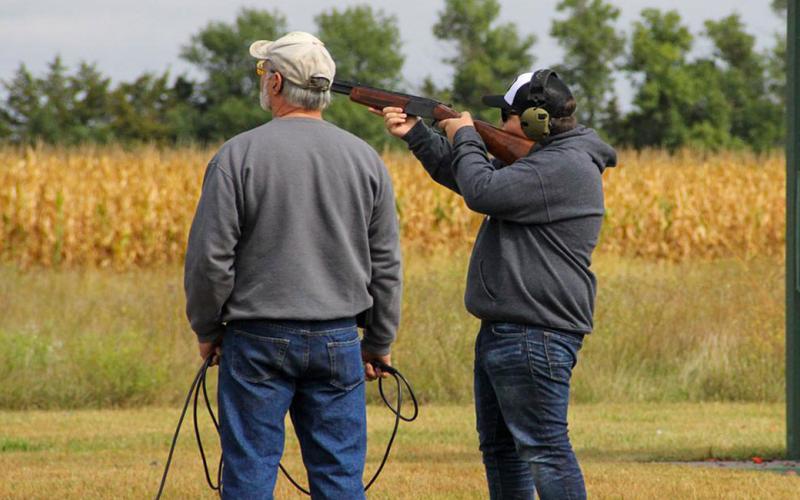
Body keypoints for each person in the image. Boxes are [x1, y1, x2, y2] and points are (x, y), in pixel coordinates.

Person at [375, 70, 616, 500]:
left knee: (544, 450)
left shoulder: (562, 165)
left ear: (534, 121)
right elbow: (472, 179)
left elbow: (481, 190)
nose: (498, 125)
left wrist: (464, 132)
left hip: (532, 333)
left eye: (504, 116)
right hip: (511, 330)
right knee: (503, 450)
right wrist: (419, 135)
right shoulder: (548, 162)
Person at [184, 31, 402, 500]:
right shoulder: (366, 160)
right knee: (340, 477)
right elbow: (385, 263)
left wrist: (207, 328)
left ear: (277, 83)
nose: (262, 81)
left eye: (264, 73)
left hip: (256, 339)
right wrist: (379, 341)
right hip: (339, 339)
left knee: (248, 473)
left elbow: (211, 259)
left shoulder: (237, 156)